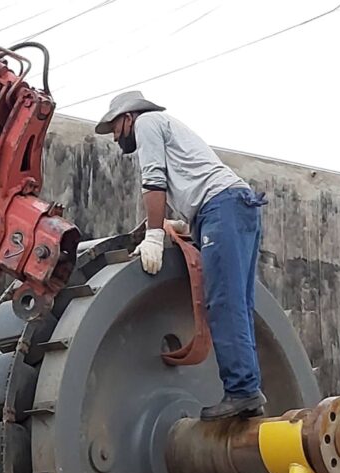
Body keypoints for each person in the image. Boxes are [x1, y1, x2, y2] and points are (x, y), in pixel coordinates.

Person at [96, 91, 269, 420]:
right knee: (238, 304)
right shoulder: (165, 126)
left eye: (115, 127)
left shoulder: (146, 123)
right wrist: (186, 222)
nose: (115, 137)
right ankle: (249, 391)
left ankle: (243, 391)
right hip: (231, 207)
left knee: (222, 302)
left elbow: (154, 181)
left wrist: (154, 233)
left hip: (222, 208)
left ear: (128, 117)